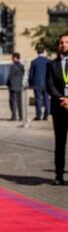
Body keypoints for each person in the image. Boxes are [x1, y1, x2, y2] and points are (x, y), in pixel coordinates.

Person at [46, 33, 68, 186]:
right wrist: (63, 99)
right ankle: (59, 175)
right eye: (61, 42)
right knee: (59, 144)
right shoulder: (52, 64)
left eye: (66, 42)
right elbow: (49, 85)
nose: (63, 45)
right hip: (59, 109)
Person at [28, 45, 50, 120]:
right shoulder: (48, 61)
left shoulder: (34, 62)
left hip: (37, 84)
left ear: (37, 52)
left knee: (38, 99)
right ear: (44, 51)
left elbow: (31, 74)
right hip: (46, 84)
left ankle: (38, 115)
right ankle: (46, 115)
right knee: (46, 99)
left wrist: (30, 83)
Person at [7, 52, 25, 121]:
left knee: (13, 102)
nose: (12, 59)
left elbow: (10, 77)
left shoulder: (13, 66)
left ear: (15, 58)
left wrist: (8, 83)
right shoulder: (22, 66)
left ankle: (14, 116)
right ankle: (21, 116)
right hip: (19, 85)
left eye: (12, 58)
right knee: (19, 102)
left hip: (12, 86)